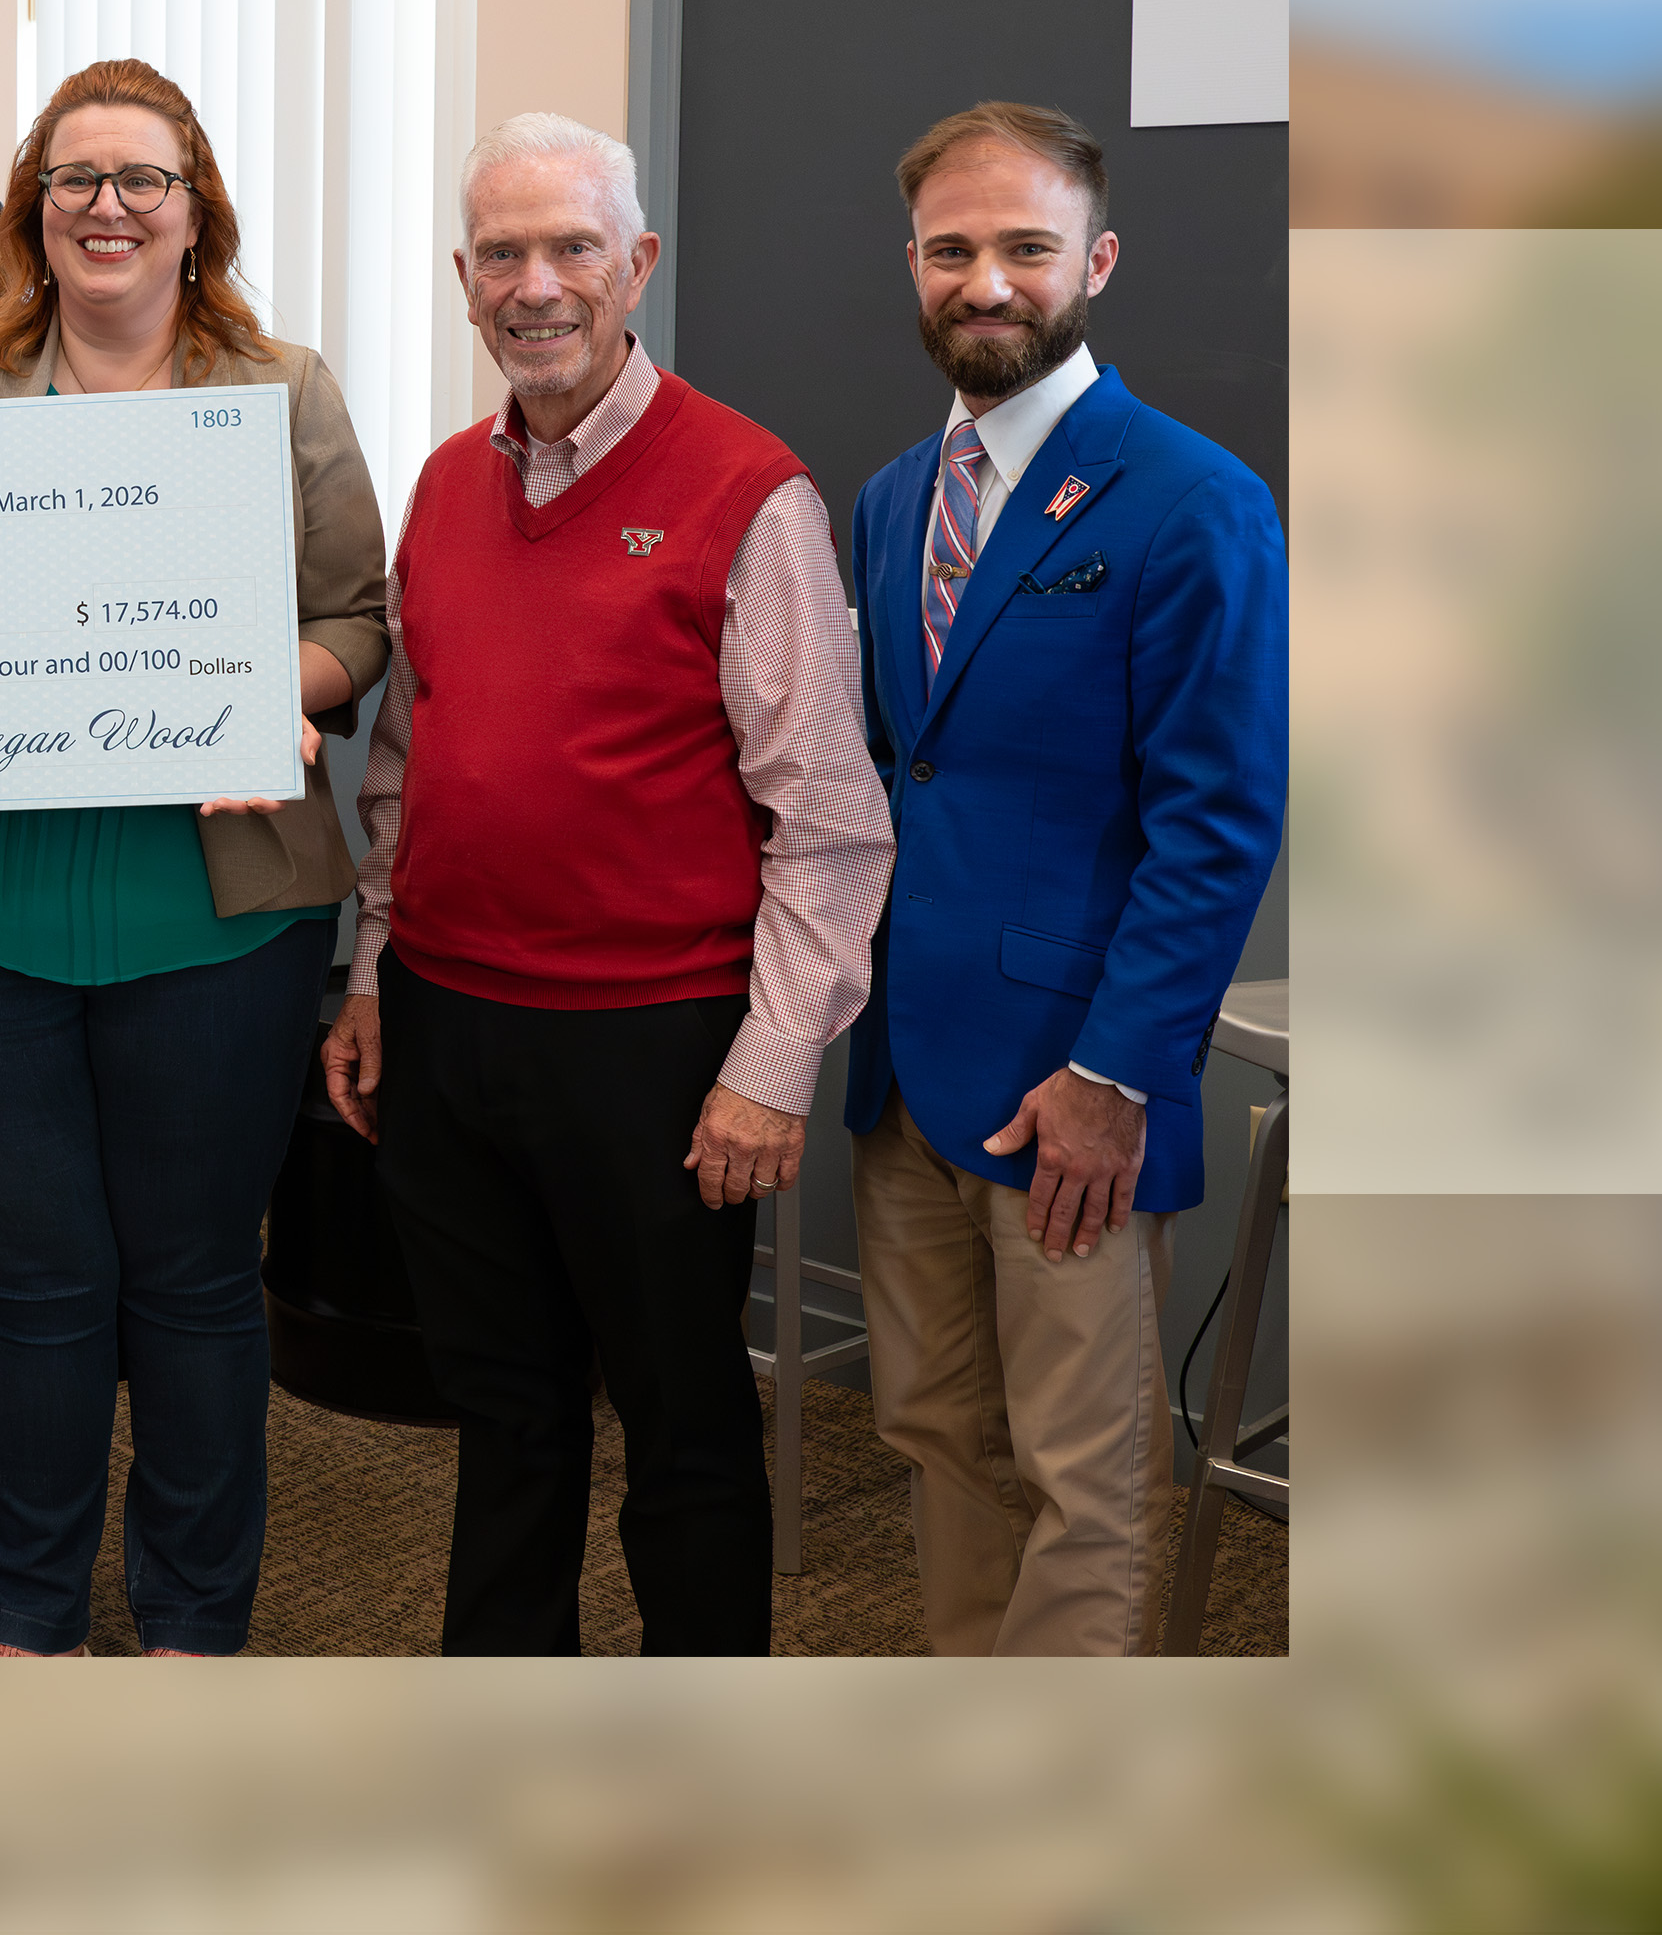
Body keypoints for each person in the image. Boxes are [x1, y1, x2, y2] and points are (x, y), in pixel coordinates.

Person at [320, 110, 893, 1657]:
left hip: (652, 1046)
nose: (536, 283)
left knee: (683, 1426)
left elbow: (830, 822)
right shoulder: (444, 488)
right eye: (501, 252)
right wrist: (373, 974)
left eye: (572, 246)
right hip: (448, 1027)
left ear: (635, 263)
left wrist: (770, 1071)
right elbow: (407, 765)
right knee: (502, 1418)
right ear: (461, 279)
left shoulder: (744, 491)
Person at [0, 59, 389, 1658]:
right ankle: (26, 1615)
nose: (107, 207)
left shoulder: (280, 384)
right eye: (75, 180)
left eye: (140, 180)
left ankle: (191, 1627)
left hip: (215, 910)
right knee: (25, 1280)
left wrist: (252, 693)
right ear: (31, 210)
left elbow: (357, 622)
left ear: (195, 209)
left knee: (191, 1284)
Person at [842, 102, 1286, 1655]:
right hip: (905, 1074)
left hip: (1070, 1091)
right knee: (935, 1436)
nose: (988, 282)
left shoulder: (1192, 498)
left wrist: (1118, 1073)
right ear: (913, 265)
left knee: (1083, 1481)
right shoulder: (897, 500)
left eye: (1025, 247)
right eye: (952, 250)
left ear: (1093, 259)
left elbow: (1218, 820)